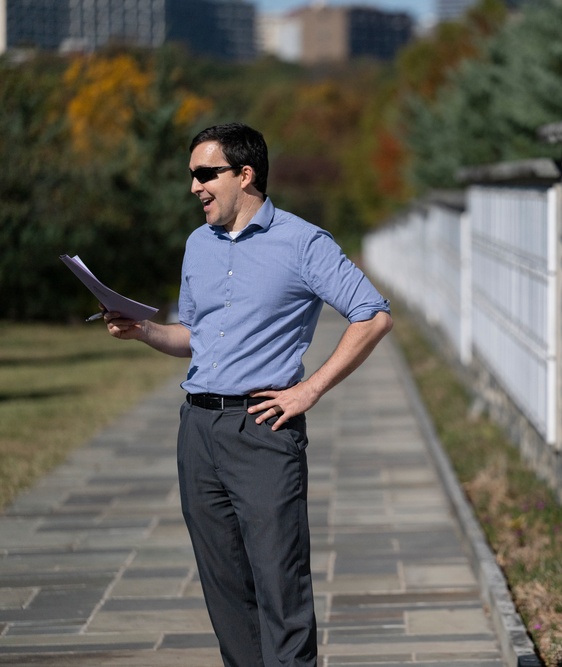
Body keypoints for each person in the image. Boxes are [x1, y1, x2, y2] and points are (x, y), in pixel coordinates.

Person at [103, 122, 393, 667]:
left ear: (245, 174)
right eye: (191, 176)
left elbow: (373, 315)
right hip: (199, 432)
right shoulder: (198, 244)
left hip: (263, 431)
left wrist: (309, 389)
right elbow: (192, 335)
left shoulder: (303, 242)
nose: (194, 187)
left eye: (205, 174)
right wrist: (142, 330)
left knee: (280, 585)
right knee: (224, 588)